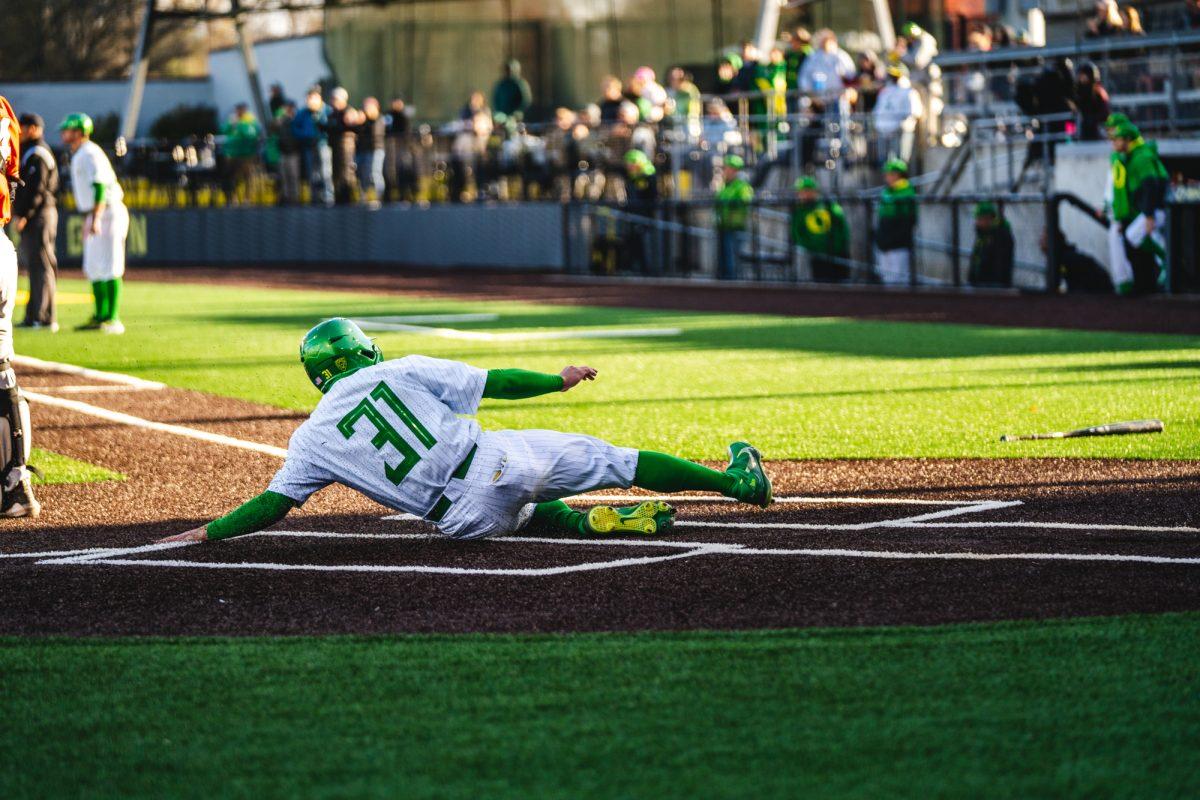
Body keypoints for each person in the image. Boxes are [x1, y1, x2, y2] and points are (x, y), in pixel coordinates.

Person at [157, 318, 773, 546]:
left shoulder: (310, 438)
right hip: (493, 461)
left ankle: (584, 523)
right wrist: (557, 380)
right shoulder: (398, 369)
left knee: (526, 511)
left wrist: (209, 530)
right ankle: (737, 482)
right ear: (356, 354)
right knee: (621, 460)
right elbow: (495, 380)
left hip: (461, 521)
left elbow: (274, 505)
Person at [0, 95, 39, 517]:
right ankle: (15, 482)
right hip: (1, 245)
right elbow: (11, 179)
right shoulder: (4, 110)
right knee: (0, 367)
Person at [61, 113, 128, 334]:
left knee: (110, 265)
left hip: (107, 211)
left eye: (68, 129)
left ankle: (113, 318)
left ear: (79, 132)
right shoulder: (80, 153)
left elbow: (100, 186)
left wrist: (96, 217)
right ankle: (100, 316)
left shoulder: (90, 152)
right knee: (94, 266)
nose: (64, 133)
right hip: (95, 212)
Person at [1104, 113, 1169, 294]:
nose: (1114, 144)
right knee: (1134, 235)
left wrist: (1148, 215)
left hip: (1160, 209)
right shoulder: (1131, 156)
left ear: (1127, 139)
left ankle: (1167, 260)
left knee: (1134, 234)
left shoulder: (1141, 156)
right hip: (1151, 210)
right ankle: (1165, 261)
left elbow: (1151, 186)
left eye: (1116, 139)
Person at [11, 113, 58, 331]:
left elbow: (36, 189)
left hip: (40, 215)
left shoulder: (37, 152)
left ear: (33, 128)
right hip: (37, 214)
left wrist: (25, 214)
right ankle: (34, 315)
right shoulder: (31, 151)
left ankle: (43, 316)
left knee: (41, 264)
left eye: (23, 127)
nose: (19, 132)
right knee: (35, 264)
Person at [790, 177, 849, 282]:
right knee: (821, 286)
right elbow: (797, 232)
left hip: (836, 254)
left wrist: (838, 246)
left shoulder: (828, 205)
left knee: (841, 285)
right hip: (817, 257)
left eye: (805, 191)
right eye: (800, 192)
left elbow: (841, 226)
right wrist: (810, 247)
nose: (802, 195)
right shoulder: (799, 212)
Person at [875, 158, 917, 285]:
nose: (887, 177)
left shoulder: (906, 192)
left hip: (898, 244)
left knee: (899, 278)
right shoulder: (887, 192)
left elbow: (907, 221)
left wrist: (893, 238)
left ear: (897, 175)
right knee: (886, 277)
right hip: (885, 242)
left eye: (890, 174)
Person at [873, 64, 924, 164]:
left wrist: (901, 123)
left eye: (896, 76)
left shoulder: (909, 92)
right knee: (885, 162)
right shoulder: (885, 92)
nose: (893, 79)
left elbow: (915, 112)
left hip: (900, 131)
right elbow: (877, 111)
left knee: (901, 161)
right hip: (883, 130)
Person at [714, 154, 753, 280]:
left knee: (732, 259)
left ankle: (733, 285)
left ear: (734, 170)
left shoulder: (742, 185)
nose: (724, 171)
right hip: (723, 226)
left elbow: (745, 201)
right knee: (723, 259)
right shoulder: (726, 185)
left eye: (726, 168)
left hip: (735, 227)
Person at [293, 88, 333, 205]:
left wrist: (323, 134)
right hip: (308, 146)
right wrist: (305, 135)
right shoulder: (303, 113)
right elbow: (295, 128)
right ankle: (315, 197)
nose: (309, 101)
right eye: (308, 98)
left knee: (325, 172)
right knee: (313, 173)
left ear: (318, 98)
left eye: (312, 98)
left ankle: (328, 197)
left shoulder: (327, 111)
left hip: (323, 145)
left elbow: (331, 127)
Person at [220, 103, 262, 205]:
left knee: (247, 176)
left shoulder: (250, 120)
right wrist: (231, 124)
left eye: (240, 110)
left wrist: (240, 125)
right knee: (231, 177)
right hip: (231, 153)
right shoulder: (231, 120)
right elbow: (223, 130)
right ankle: (232, 199)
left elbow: (251, 134)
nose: (238, 112)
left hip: (246, 154)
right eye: (237, 110)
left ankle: (247, 198)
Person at [967, 201, 1015, 287]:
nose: (977, 223)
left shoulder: (999, 235)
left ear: (988, 219)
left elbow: (999, 266)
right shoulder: (982, 237)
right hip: (981, 286)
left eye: (979, 219)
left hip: (993, 288)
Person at [327, 87, 360, 206]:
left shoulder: (349, 112)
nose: (332, 101)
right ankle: (339, 198)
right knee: (336, 174)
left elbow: (353, 127)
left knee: (347, 173)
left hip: (346, 147)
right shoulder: (332, 114)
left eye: (334, 99)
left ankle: (348, 199)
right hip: (335, 147)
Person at [355, 97, 387, 204]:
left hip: (375, 150)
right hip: (361, 150)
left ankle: (379, 197)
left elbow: (377, 133)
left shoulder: (379, 119)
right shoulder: (362, 120)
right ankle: (363, 196)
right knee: (362, 174)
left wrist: (368, 119)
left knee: (375, 173)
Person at [1074, 62, 1110, 141]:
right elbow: (1076, 111)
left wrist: (1092, 119)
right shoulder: (1079, 92)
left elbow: (1105, 113)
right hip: (1083, 130)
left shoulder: (1098, 92)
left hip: (1097, 130)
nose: (1081, 78)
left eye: (1083, 75)